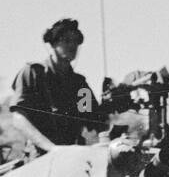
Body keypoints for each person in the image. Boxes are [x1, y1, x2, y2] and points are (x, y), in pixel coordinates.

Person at [10, 18, 107, 153]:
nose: (72, 45)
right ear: (53, 44)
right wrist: (52, 148)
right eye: (66, 40)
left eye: (76, 42)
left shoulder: (79, 84)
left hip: (72, 155)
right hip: (41, 157)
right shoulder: (34, 73)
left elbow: (95, 121)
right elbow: (18, 117)